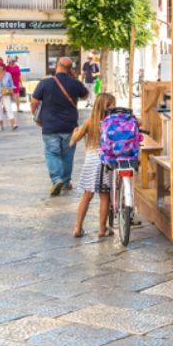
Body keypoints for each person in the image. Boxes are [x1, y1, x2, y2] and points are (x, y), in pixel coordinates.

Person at [31, 57, 90, 196]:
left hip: (50, 125)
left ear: (57, 66)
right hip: (70, 125)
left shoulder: (45, 83)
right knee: (67, 154)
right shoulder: (75, 83)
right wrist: (74, 78)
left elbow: (34, 102)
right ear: (70, 69)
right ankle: (65, 181)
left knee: (52, 153)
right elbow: (85, 95)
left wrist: (36, 115)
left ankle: (57, 179)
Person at [70, 92, 115, 239]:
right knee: (104, 196)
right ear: (107, 106)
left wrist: (75, 132)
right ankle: (102, 229)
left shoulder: (90, 121)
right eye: (112, 104)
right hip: (105, 160)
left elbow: (75, 139)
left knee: (87, 196)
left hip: (91, 161)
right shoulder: (112, 121)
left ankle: (77, 227)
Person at [0, 61, 18, 132]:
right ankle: (1, 126)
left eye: (1, 65)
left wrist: (12, 94)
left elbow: (11, 84)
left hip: (6, 94)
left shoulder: (8, 74)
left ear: (3, 66)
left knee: (9, 109)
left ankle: (13, 124)